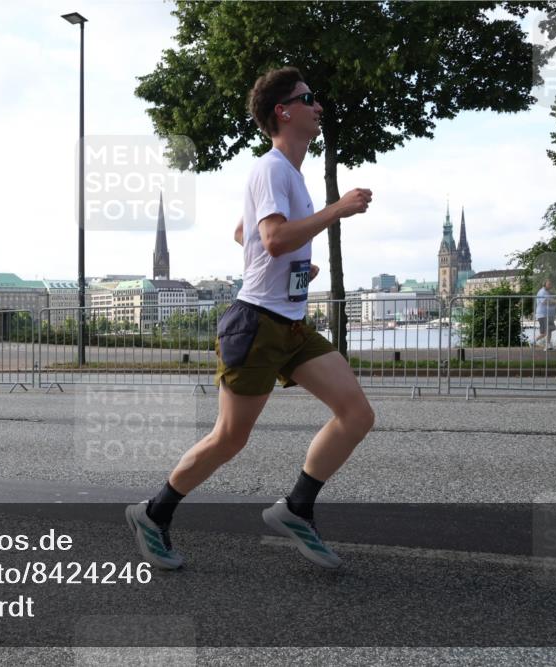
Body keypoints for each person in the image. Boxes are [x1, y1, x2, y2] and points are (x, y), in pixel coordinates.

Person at [126, 66, 374, 570]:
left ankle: (296, 508)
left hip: (293, 323)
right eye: (309, 98)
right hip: (257, 323)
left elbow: (247, 233)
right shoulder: (272, 169)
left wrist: (294, 267)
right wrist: (336, 210)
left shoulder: (290, 175)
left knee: (357, 414)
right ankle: (154, 513)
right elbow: (274, 236)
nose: (318, 106)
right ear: (283, 111)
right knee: (230, 438)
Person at [533, 279, 556, 351]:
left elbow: (550, 302)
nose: (550, 285)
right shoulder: (542, 292)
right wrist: (555, 301)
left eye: (551, 284)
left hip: (548, 314)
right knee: (544, 332)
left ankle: (548, 346)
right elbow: (544, 302)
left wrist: (555, 304)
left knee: (549, 330)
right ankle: (533, 342)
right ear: (544, 284)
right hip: (542, 315)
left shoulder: (547, 292)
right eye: (549, 284)